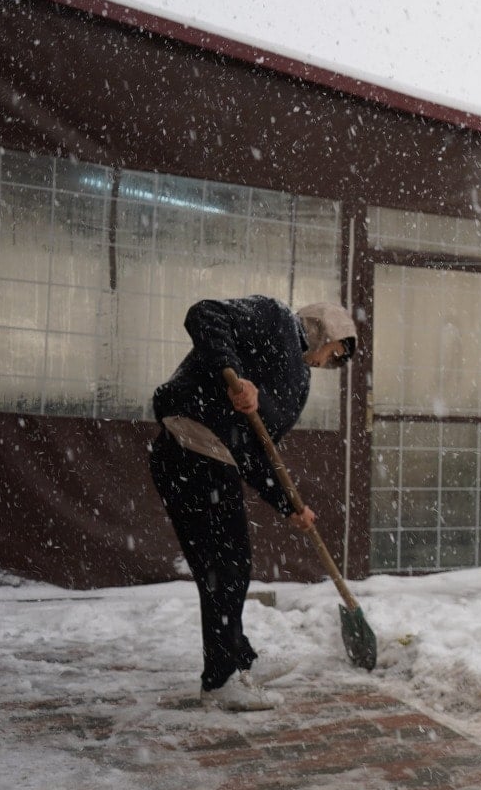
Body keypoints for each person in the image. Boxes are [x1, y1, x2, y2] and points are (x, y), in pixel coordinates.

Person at [149, 295, 357, 711]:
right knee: (225, 565)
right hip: (191, 446)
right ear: (326, 332)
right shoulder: (273, 318)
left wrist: (288, 505)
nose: (328, 363)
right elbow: (203, 314)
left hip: (210, 456)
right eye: (335, 352)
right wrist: (235, 376)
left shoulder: (294, 380)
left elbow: (257, 454)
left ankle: (238, 661)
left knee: (227, 565)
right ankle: (222, 678)